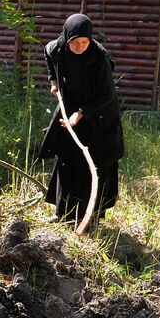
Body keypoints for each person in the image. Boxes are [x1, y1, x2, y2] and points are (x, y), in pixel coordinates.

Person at [37, 13, 124, 228]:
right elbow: (47, 53)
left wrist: (82, 113)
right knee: (67, 159)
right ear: (67, 39)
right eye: (75, 43)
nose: (80, 47)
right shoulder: (57, 48)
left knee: (94, 163)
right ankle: (63, 214)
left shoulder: (99, 58)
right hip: (70, 109)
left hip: (99, 115)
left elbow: (108, 96)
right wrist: (53, 80)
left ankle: (90, 218)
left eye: (85, 42)